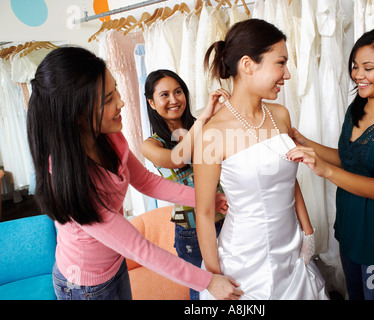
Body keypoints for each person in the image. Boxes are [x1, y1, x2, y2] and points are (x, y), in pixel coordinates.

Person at [26, 46, 243, 300]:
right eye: (107, 100)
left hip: (115, 263)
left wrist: (206, 199)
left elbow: (148, 182)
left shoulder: (110, 136)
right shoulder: (70, 181)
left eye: (115, 89)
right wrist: (207, 281)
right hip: (84, 285)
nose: (121, 101)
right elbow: (140, 249)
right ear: (77, 116)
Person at [286, 26, 374, 300]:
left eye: (368, 68)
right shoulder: (357, 107)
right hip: (351, 230)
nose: (358, 75)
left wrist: (326, 171)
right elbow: (350, 159)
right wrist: (304, 142)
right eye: (355, 67)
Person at [194, 19, 328, 300]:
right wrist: (213, 276)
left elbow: (288, 179)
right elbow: (205, 212)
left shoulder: (280, 115)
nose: (287, 74)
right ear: (248, 64)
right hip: (244, 259)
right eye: (280, 63)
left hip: (290, 250)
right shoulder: (212, 134)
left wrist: (308, 231)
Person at [141, 69, 229, 300]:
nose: (174, 100)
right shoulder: (151, 145)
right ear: (151, 102)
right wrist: (204, 118)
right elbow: (176, 159)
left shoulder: (204, 126)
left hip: (229, 217)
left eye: (178, 92)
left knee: (236, 284)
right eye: (164, 95)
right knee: (203, 290)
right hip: (191, 230)